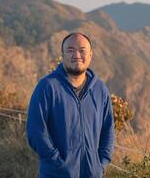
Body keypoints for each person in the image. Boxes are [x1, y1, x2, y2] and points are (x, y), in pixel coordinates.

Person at [27, 33, 115, 178]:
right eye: (70, 50)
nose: (77, 55)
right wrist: (57, 163)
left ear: (91, 55)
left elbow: (108, 130)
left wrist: (101, 164)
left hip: (92, 173)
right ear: (62, 55)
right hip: (56, 174)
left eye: (82, 50)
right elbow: (36, 131)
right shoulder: (47, 87)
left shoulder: (100, 89)